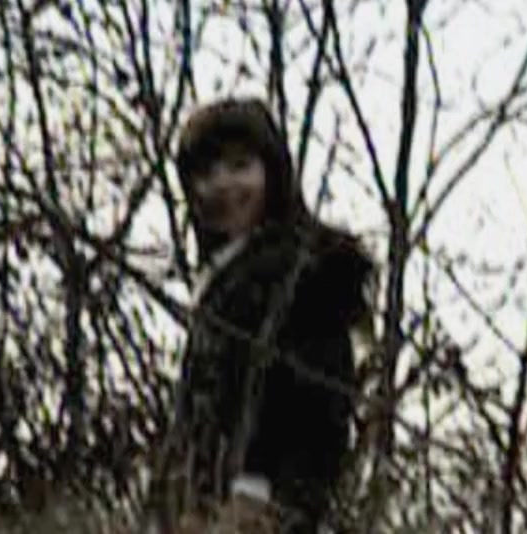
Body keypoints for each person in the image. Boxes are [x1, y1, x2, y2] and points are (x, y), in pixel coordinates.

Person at [149, 97, 373, 533]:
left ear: (272, 173)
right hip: (205, 511)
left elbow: (317, 416)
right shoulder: (221, 282)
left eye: (240, 166)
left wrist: (263, 497)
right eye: (207, 173)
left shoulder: (305, 278)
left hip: (264, 512)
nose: (223, 185)